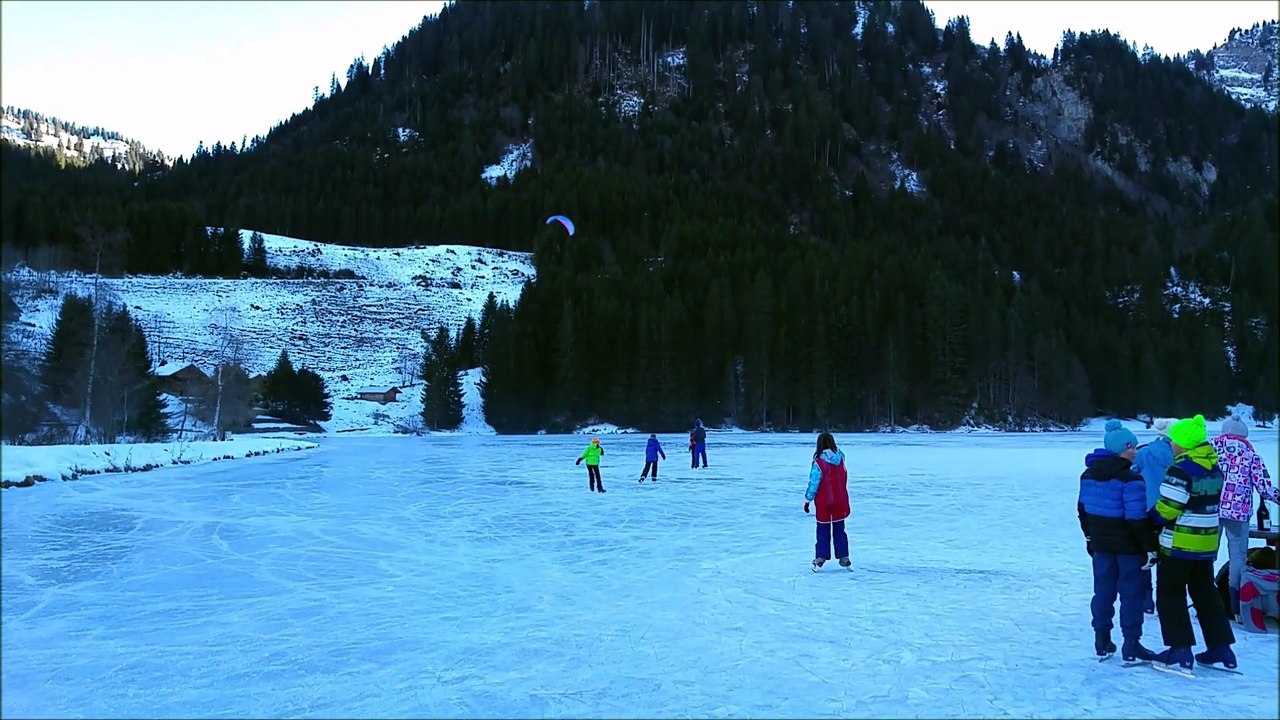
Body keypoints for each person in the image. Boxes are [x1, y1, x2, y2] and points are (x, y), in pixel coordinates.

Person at [1150, 414, 1237, 675]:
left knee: (1170, 593)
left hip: (1180, 543)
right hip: (1206, 542)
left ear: (1185, 444)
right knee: (1205, 594)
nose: (1171, 445)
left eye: (1174, 441)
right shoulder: (1213, 466)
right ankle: (1221, 647)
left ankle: (1180, 650)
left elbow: (1169, 507)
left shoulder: (1182, 469)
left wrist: (1152, 517)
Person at [1077, 420, 1158, 663]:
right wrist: (1149, 547)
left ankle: (1101, 639)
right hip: (1128, 548)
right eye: (1132, 447)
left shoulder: (1088, 475)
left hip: (1101, 546)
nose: (1136, 450)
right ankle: (1131, 644)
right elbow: (1136, 520)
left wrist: (1090, 537)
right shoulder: (1130, 481)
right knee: (1131, 595)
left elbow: (1082, 510)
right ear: (1122, 450)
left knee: (1103, 592)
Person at [1211, 414, 1278, 622]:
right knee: (1238, 556)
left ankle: (1206, 599)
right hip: (1238, 513)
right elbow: (1265, 489)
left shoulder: (1210, 449)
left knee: (1206, 553)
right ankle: (1236, 606)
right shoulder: (1251, 455)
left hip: (1209, 510)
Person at [1132, 417, 1177, 614]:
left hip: (1146, 511)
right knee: (1168, 557)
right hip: (1172, 511)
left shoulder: (1143, 453)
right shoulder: (1181, 455)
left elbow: (1131, 475)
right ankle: (1166, 599)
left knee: (1145, 555)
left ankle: (1146, 600)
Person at [804, 432, 850, 571]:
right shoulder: (840, 459)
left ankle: (820, 558)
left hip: (825, 501)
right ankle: (844, 557)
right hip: (840, 500)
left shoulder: (818, 463)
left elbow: (814, 483)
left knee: (823, 529)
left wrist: (808, 500)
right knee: (839, 529)